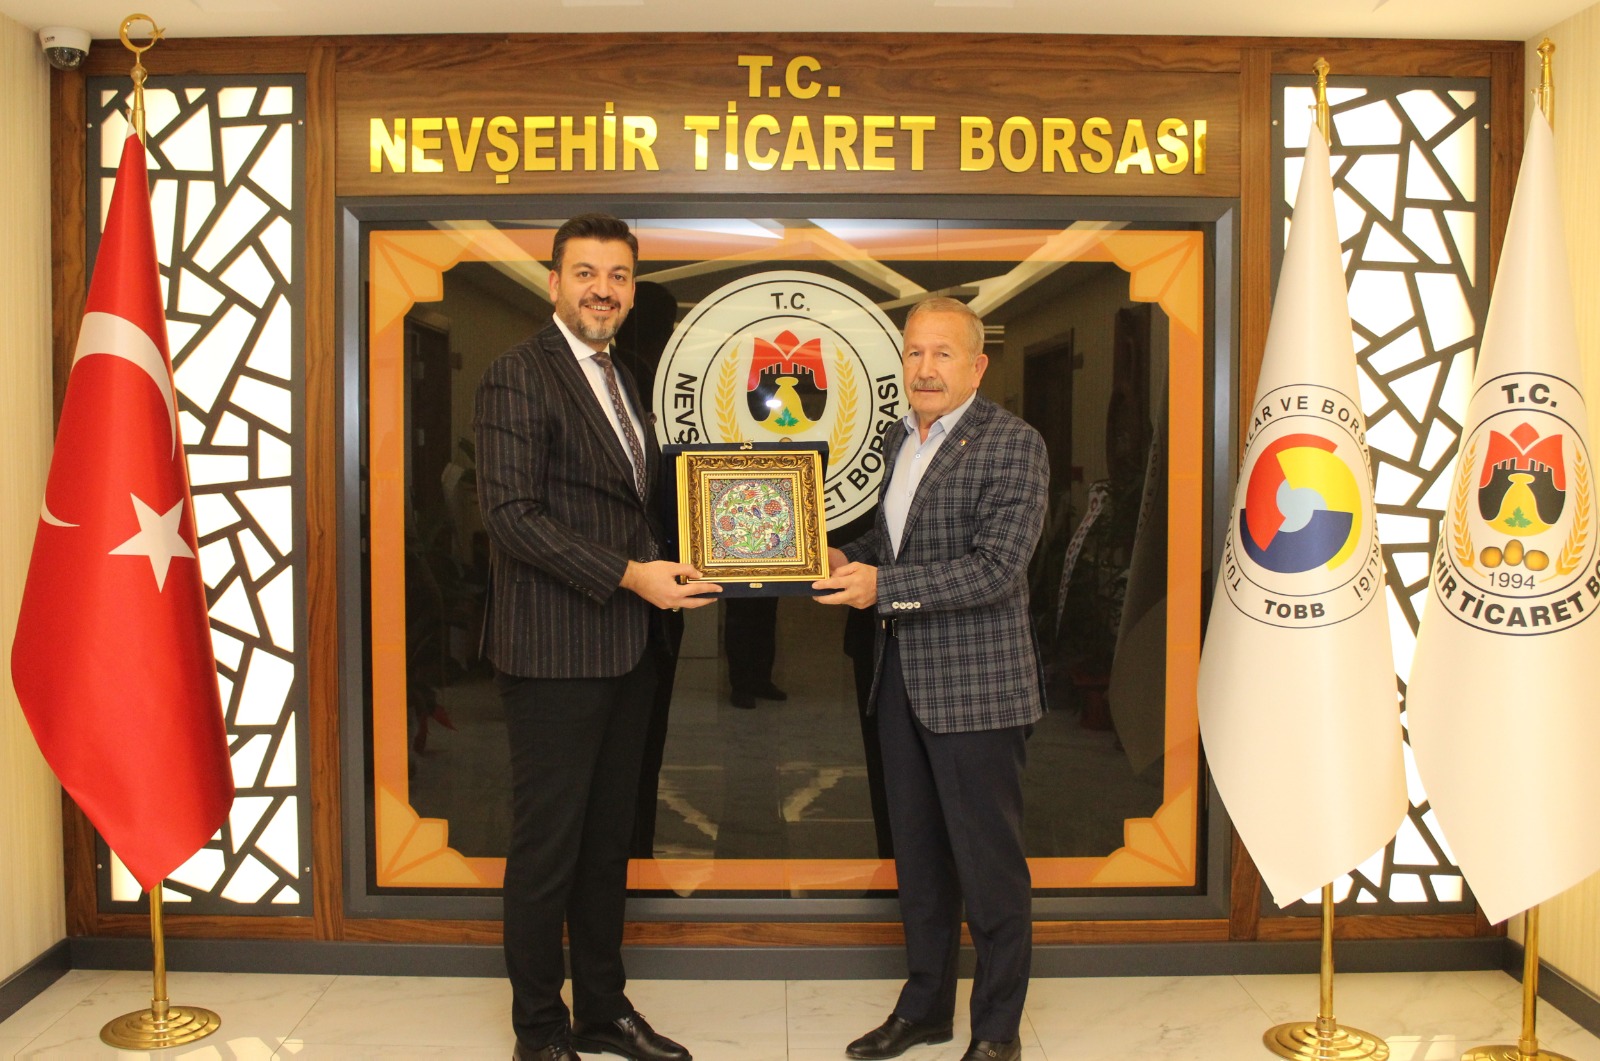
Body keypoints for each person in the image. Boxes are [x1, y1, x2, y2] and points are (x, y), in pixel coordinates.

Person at [475, 213, 720, 1061]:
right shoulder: (518, 375)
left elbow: (624, 506)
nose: (602, 290)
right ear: (554, 282)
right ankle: (540, 1029)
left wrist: (686, 559)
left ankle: (603, 1009)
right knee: (548, 850)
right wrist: (630, 574)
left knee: (608, 841)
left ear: (632, 290)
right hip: (553, 653)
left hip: (628, 649)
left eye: (617, 276)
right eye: (585, 273)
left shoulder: (625, 378)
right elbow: (512, 517)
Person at [814, 296, 1049, 1061]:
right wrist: (846, 557)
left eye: (943, 353)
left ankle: (997, 1030)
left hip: (977, 690)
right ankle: (924, 1007)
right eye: (915, 352)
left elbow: (995, 568)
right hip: (898, 682)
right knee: (917, 860)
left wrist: (883, 586)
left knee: (989, 869)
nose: (925, 367)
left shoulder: (1013, 444)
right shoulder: (897, 439)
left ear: (978, 365)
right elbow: (893, 540)